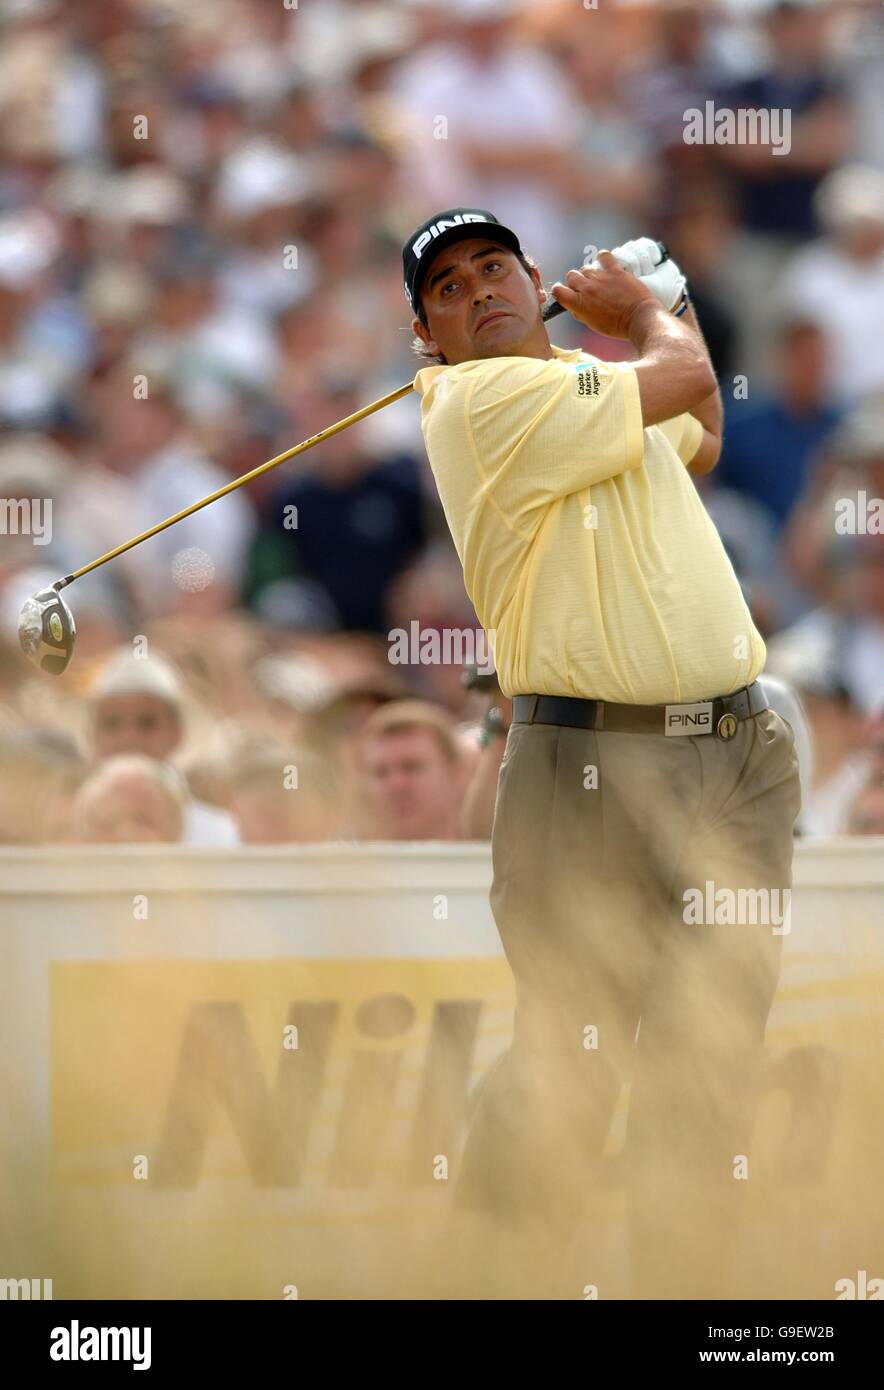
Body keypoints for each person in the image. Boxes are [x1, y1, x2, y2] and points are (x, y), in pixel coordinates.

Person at [404, 208, 801, 1298]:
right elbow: (679, 381)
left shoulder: (585, 383)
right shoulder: (477, 399)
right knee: (569, 1063)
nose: (477, 288)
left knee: (708, 1068)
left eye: (493, 266)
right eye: (447, 288)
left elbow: (704, 423)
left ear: (535, 281)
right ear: (427, 339)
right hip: (586, 771)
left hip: (735, 754)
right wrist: (650, 310)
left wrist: (644, 328)